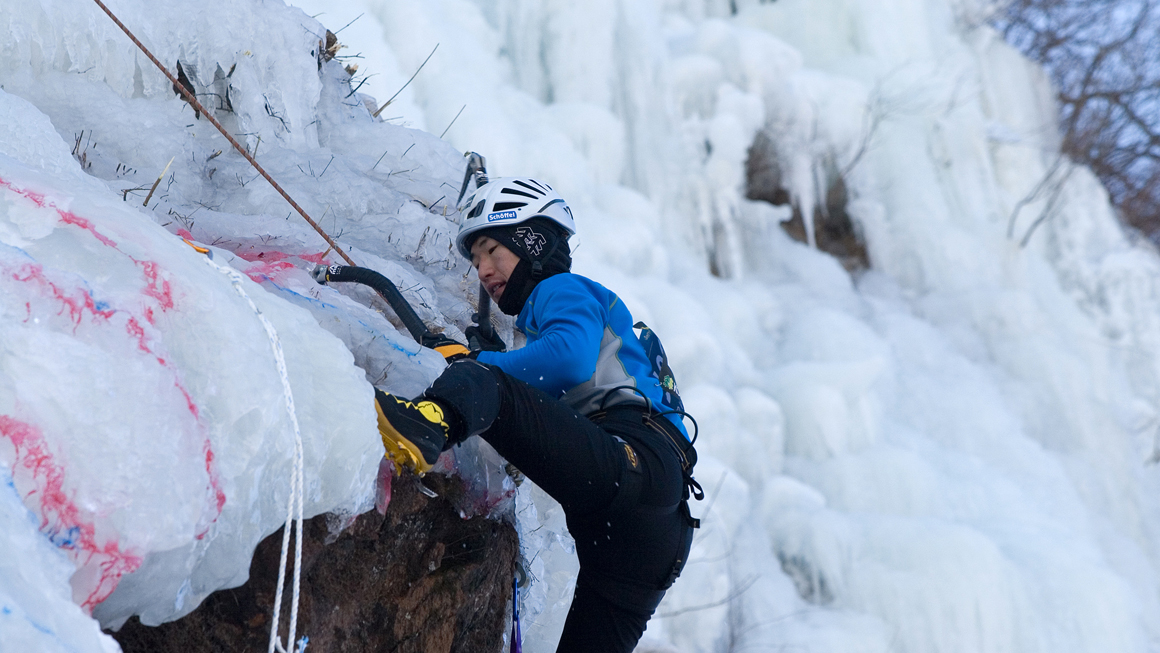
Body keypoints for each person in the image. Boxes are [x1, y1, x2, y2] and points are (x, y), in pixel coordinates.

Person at [374, 176, 701, 653]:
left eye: (491, 251)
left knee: (485, 381)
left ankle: (422, 425)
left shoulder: (560, 288)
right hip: (651, 538)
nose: (482, 269)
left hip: (631, 465)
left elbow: (567, 358)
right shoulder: (570, 317)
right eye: (476, 260)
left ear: (532, 243)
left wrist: (479, 368)